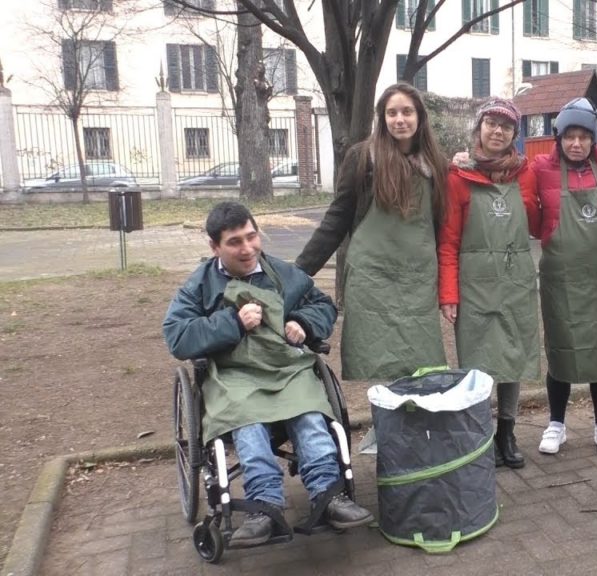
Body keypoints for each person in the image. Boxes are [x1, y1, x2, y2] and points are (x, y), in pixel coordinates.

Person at [163, 201, 373, 548]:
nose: (247, 249)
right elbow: (178, 335)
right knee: (248, 423)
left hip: (285, 368)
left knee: (308, 414)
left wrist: (303, 323)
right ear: (214, 247)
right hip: (233, 376)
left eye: (251, 237)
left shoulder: (282, 274)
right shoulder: (199, 286)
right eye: (234, 242)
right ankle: (264, 507)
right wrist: (231, 322)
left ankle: (330, 496)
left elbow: (322, 305)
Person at [295, 83, 450, 381]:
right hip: (372, 279)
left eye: (407, 111)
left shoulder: (437, 166)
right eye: (391, 113)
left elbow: (443, 227)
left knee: (422, 366)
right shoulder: (363, 158)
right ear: (382, 118)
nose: (399, 119)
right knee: (379, 366)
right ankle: (385, 427)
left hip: (417, 282)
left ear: (420, 117)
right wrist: (299, 273)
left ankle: (414, 428)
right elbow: (337, 219)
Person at [438, 97, 541, 469]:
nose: (498, 131)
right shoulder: (458, 175)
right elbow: (448, 241)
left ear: (515, 134)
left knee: (512, 358)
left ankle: (507, 433)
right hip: (474, 287)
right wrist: (448, 294)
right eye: (491, 124)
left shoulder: (526, 173)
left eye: (506, 126)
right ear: (479, 127)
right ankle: (480, 434)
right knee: (477, 363)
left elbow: (538, 221)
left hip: (516, 283)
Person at [531, 98, 597, 457]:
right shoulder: (540, 168)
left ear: (594, 139)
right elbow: (502, 174)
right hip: (560, 279)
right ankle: (556, 423)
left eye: (584, 136)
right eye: (569, 136)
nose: (576, 144)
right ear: (558, 137)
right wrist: (465, 160)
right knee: (561, 349)